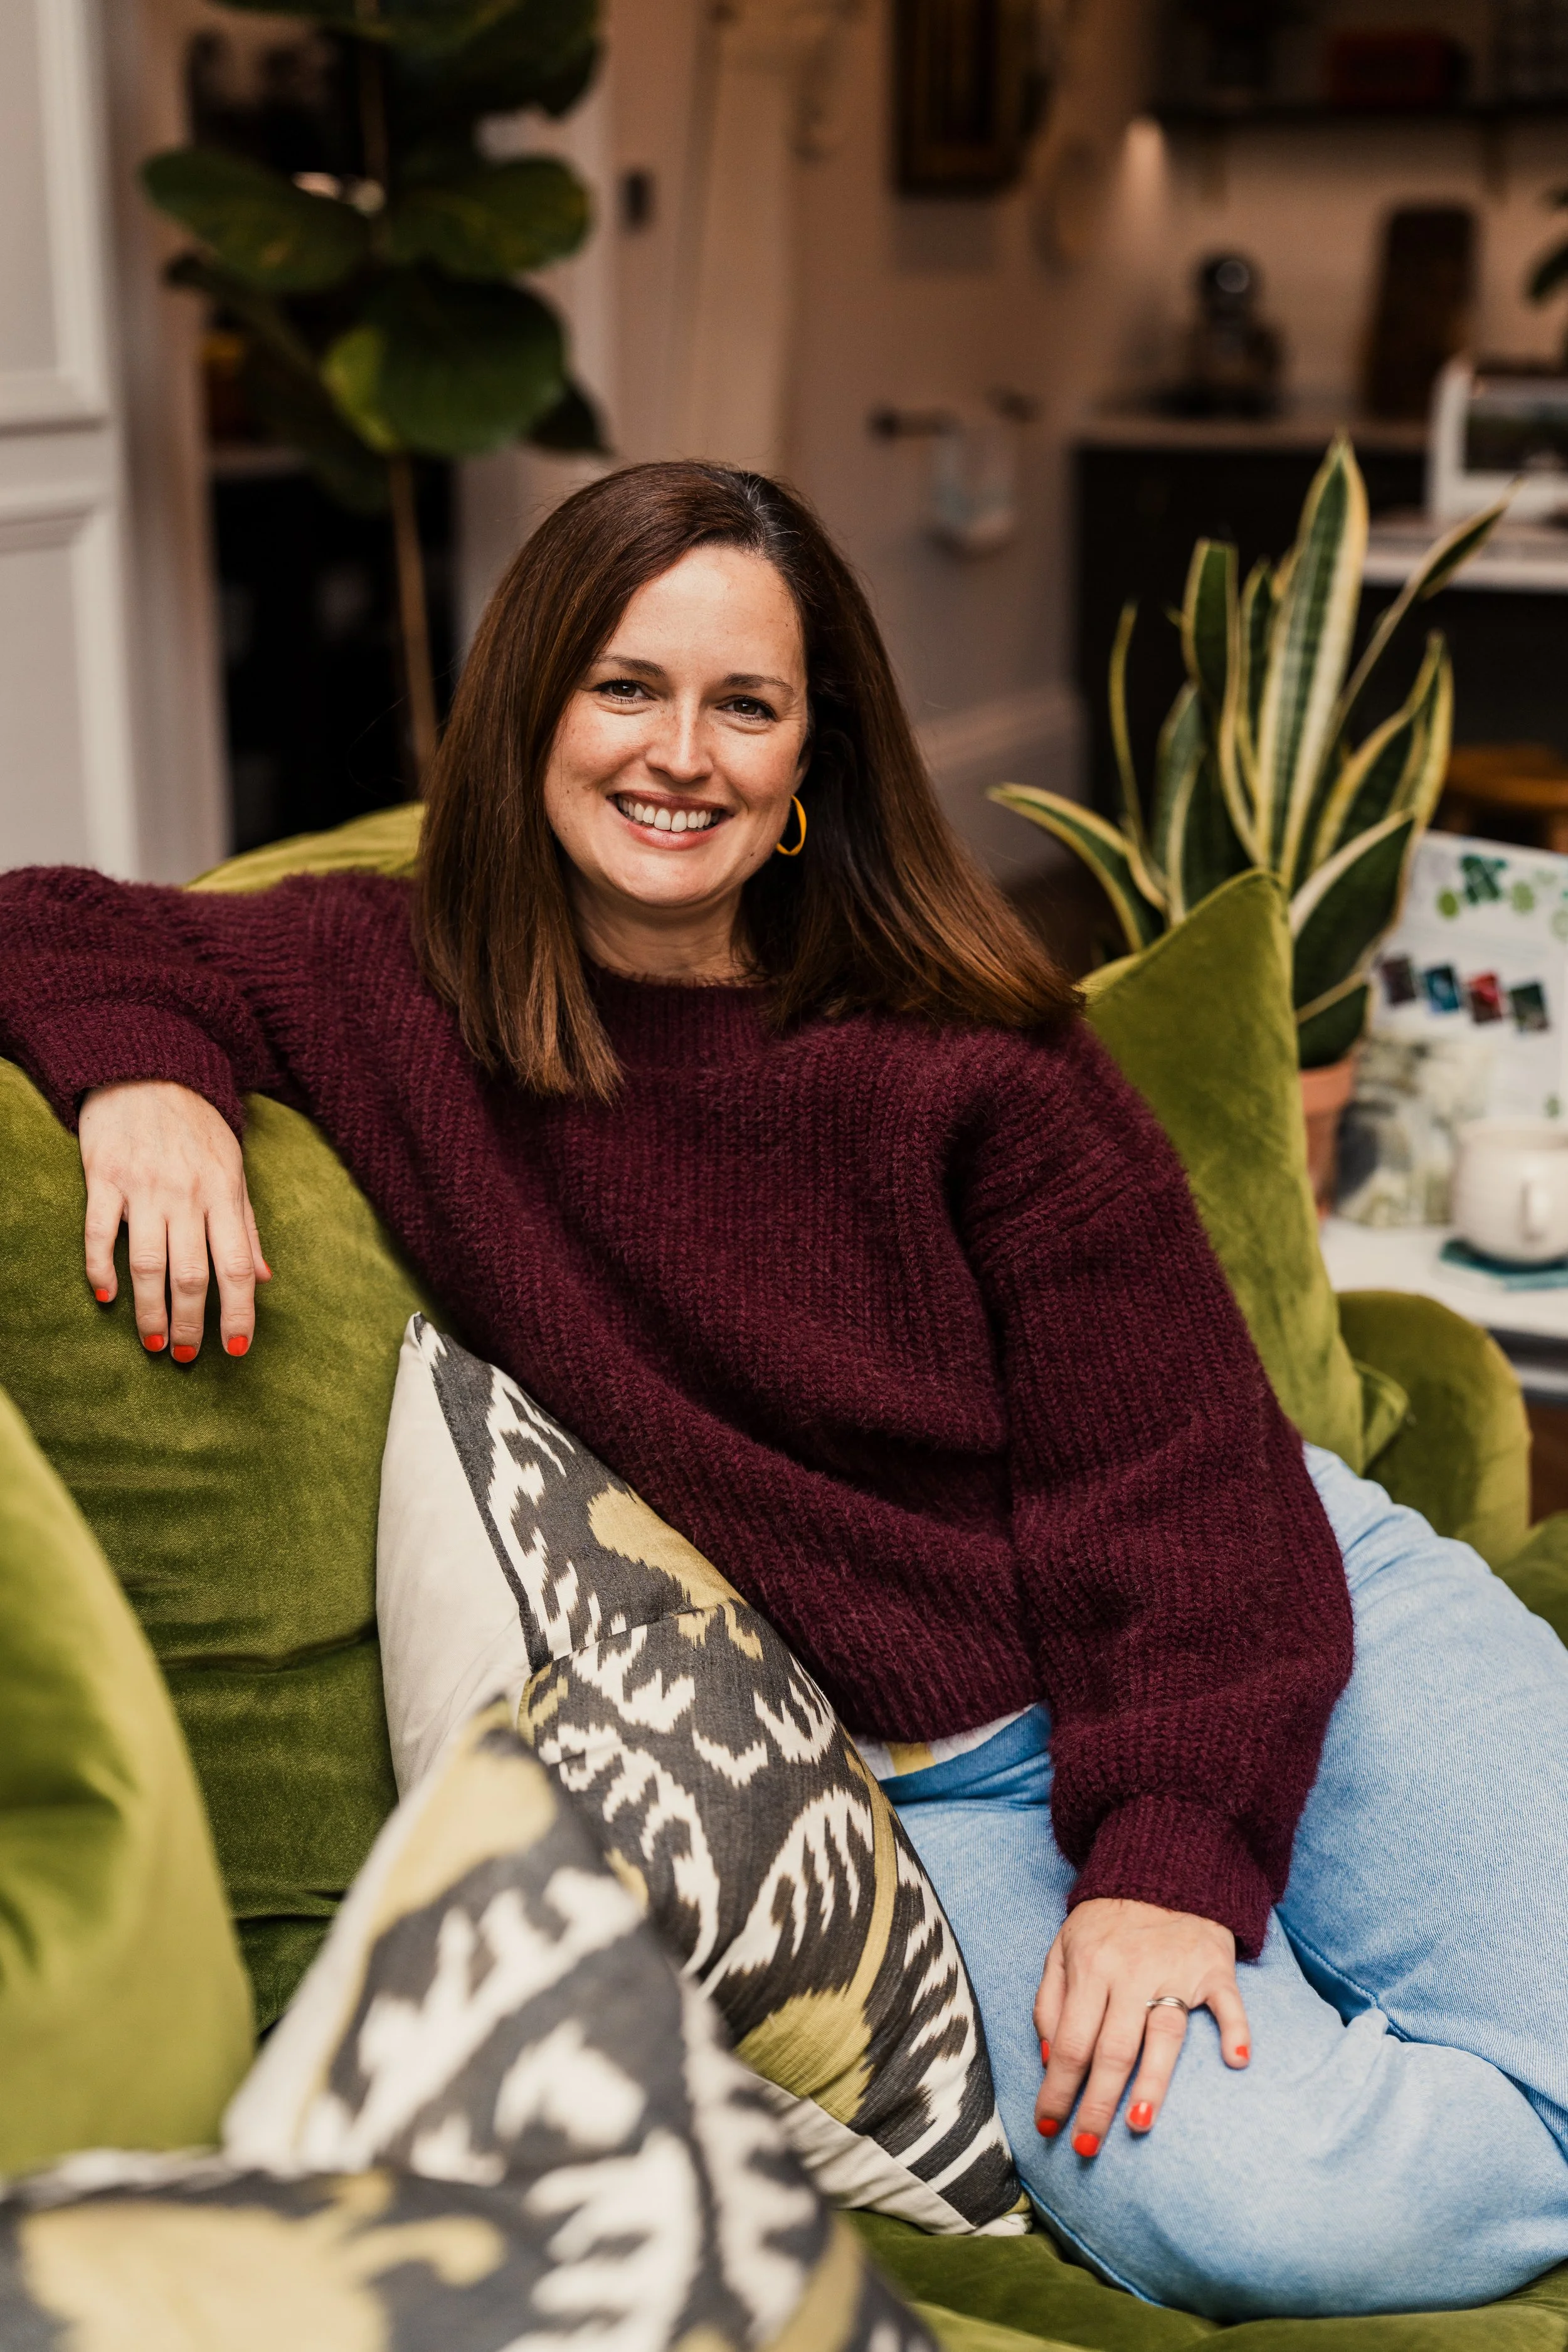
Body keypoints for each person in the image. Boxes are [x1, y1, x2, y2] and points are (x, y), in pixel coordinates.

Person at [3, 461, 1567, 2322]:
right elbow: (57, 914)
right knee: (1244, 2205)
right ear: (529, 715)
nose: (681, 754)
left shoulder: (977, 1069)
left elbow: (1186, 1498)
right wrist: (149, 1079)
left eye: (744, 703)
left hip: (1260, 1603)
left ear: (811, 752)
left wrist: (1165, 1861)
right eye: (624, 686)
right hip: (960, 1786)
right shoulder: (399, 982)